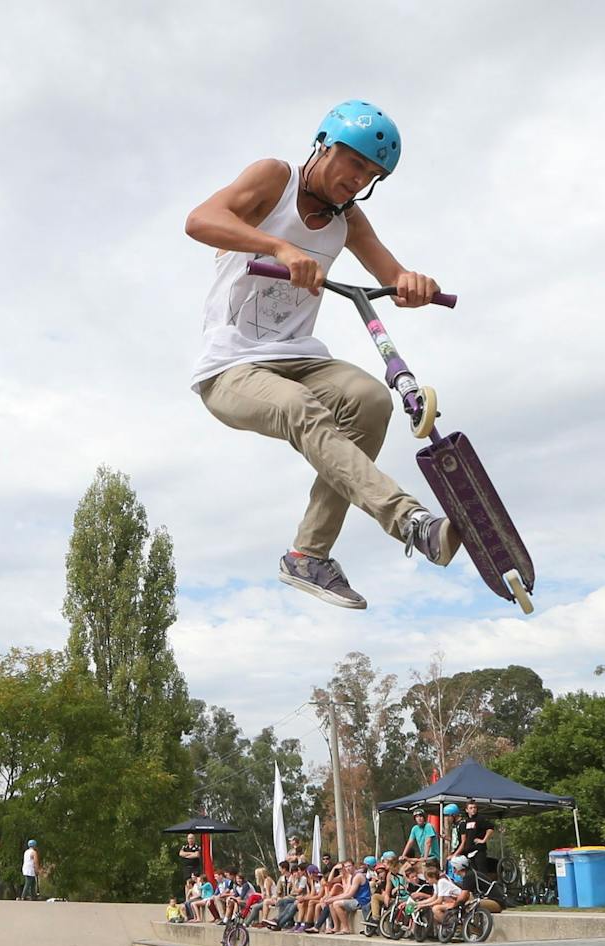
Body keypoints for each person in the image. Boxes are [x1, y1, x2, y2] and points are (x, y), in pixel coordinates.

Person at [184, 100, 460, 610]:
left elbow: (393, 279)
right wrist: (279, 247)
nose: (357, 180)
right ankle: (409, 520)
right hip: (231, 367)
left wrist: (414, 285)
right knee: (298, 408)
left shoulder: (350, 221)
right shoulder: (276, 178)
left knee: (370, 400)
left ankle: (308, 556)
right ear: (324, 146)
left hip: (299, 358)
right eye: (353, 164)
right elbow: (200, 220)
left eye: (370, 175)